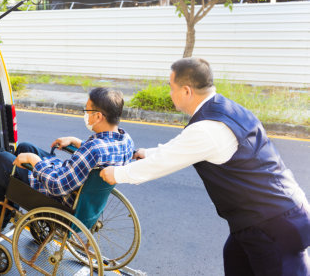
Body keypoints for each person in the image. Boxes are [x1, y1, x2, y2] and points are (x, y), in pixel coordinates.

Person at [100, 57, 310, 276]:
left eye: (171, 87)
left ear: (187, 91)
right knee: (235, 258)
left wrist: (116, 174)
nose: (169, 93)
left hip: (274, 225)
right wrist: (147, 153)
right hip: (261, 219)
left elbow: (162, 164)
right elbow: (181, 149)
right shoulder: (222, 107)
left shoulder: (207, 128)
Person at [0, 87, 134, 227]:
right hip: (82, 195)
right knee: (25, 147)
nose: (85, 114)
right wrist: (77, 142)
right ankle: (10, 201)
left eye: (87, 110)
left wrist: (35, 162)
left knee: (1, 160)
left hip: (60, 199)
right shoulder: (125, 140)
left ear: (98, 116)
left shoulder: (93, 150)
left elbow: (57, 186)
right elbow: (101, 153)